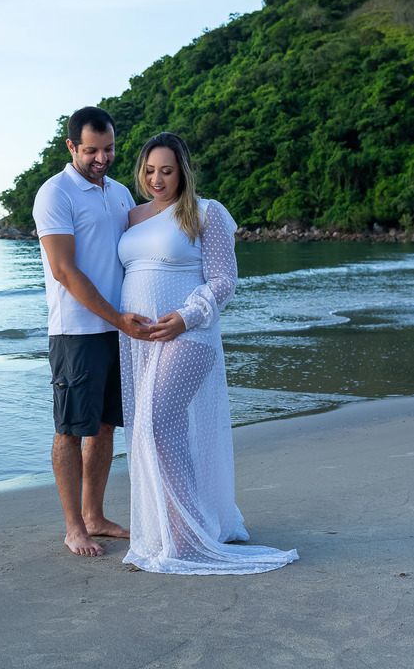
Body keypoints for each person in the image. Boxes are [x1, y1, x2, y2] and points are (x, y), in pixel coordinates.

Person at [117, 131, 298, 574]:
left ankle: (189, 531)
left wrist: (185, 316)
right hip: (138, 339)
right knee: (152, 431)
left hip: (187, 333)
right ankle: (170, 526)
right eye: (150, 170)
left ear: (183, 173)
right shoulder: (131, 216)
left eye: (167, 170)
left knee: (158, 425)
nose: (157, 179)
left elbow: (223, 281)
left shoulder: (205, 213)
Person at [33, 106, 164, 557]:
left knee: (105, 428)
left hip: (118, 327)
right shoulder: (55, 194)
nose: (101, 158)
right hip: (77, 332)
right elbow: (65, 271)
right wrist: (117, 319)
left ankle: (95, 515)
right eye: (91, 151)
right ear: (71, 146)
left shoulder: (121, 193)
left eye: (108, 149)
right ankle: (74, 527)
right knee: (71, 429)